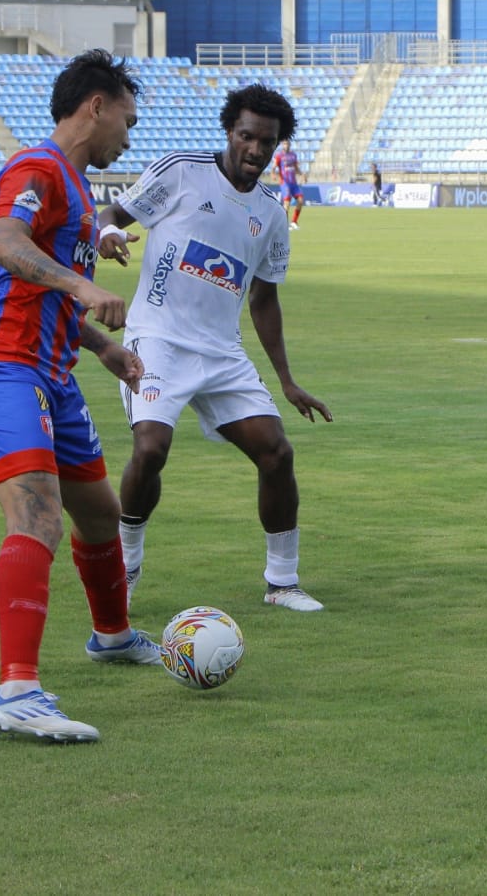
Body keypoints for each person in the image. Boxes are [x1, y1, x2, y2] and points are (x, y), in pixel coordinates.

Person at [0, 50, 158, 743]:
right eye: (126, 119)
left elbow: (54, 297)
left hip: (53, 377)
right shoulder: (35, 169)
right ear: (95, 107)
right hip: (1, 369)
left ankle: (112, 635)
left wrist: (105, 349)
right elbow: (6, 242)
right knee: (37, 516)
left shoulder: (76, 190)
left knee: (99, 516)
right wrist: (84, 285)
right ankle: (17, 690)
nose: (129, 136)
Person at [96, 83, 334, 614]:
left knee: (276, 452)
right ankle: (125, 565)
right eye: (247, 136)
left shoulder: (271, 212)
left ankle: (283, 582)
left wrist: (287, 381)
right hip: (155, 338)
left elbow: (264, 299)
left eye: (266, 142)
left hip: (221, 352)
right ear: (230, 131)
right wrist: (105, 232)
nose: (255, 150)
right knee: (151, 448)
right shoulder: (182, 171)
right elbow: (114, 214)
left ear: (277, 146)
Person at [274, 139, 305, 229]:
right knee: (287, 203)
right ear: (282, 145)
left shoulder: (293, 155)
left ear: (290, 144)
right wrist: (274, 175)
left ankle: (294, 222)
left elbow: (296, 167)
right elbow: (274, 167)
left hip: (293, 183)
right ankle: (284, 224)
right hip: (285, 183)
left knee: (300, 200)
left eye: (287, 144)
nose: (286, 145)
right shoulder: (279, 156)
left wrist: (302, 175)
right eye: (284, 144)